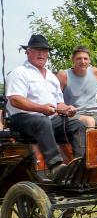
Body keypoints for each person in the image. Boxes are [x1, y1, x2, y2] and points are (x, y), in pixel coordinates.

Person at [5, 34, 86, 180]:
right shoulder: (19, 72)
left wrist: (67, 108)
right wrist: (41, 108)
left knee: (77, 125)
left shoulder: (51, 76)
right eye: (37, 50)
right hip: (22, 120)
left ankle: (79, 165)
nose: (41, 53)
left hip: (48, 119)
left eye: (44, 50)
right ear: (28, 51)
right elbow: (15, 100)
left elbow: (57, 103)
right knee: (43, 121)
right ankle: (55, 166)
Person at [57, 45, 97, 127]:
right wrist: (65, 108)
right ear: (73, 60)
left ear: (89, 60)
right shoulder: (63, 75)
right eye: (79, 58)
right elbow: (55, 97)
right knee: (89, 121)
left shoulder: (95, 72)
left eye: (85, 58)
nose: (82, 61)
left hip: (94, 113)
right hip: (73, 115)